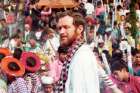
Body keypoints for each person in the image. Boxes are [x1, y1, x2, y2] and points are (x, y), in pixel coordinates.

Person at [56, 11, 122, 93]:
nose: (61, 32)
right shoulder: (77, 53)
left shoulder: (81, 56)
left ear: (80, 29)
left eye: (66, 27)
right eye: (59, 28)